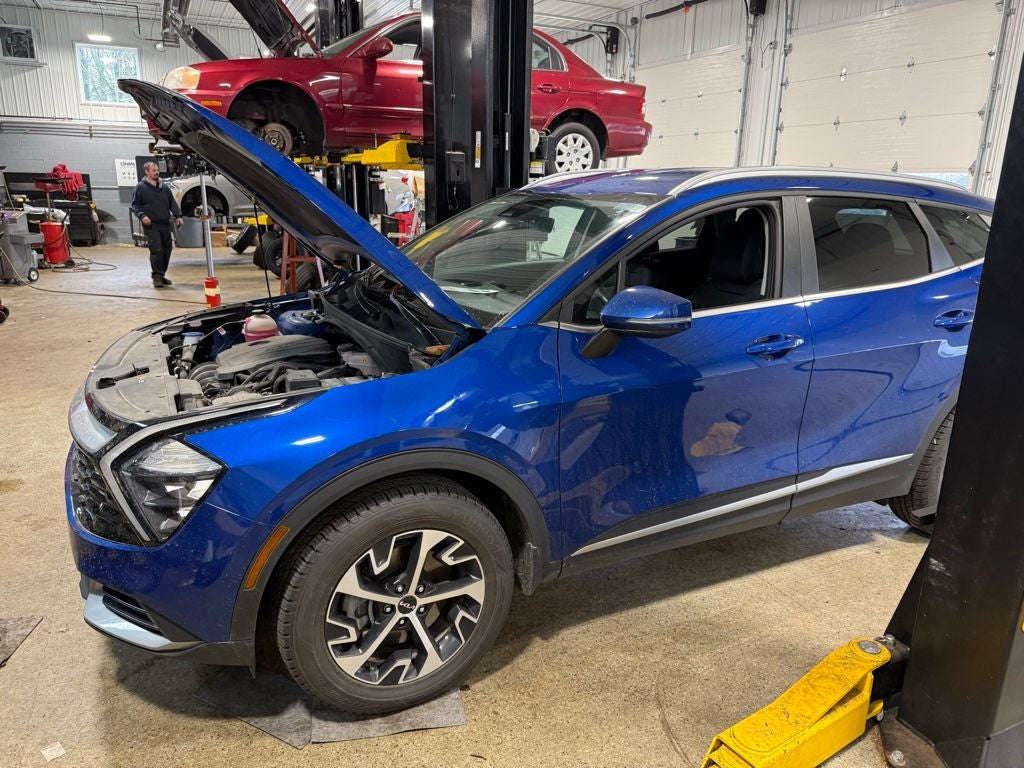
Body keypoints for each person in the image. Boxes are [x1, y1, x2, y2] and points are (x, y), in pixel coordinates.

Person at [130, 162, 183, 288]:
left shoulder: (164, 188)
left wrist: (178, 216)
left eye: (157, 170)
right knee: (157, 250)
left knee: (167, 250)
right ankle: (156, 276)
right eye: (153, 170)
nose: (157, 172)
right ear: (147, 172)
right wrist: (142, 216)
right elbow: (135, 205)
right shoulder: (140, 187)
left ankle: (161, 274)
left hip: (165, 224)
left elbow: (172, 203)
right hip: (151, 225)